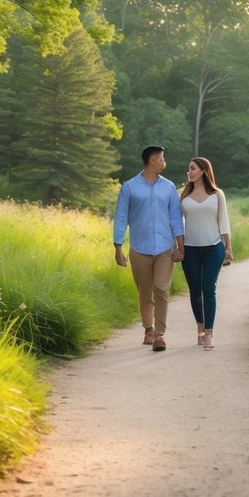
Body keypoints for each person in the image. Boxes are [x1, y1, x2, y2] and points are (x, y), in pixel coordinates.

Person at [113, 145, 185, 352]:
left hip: (164, 248)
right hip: (139, 249)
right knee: (145, 293)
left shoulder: (169, 187)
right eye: (162, 158)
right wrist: (118, 247)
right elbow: (121, 218)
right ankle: (148, 329)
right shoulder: (129, 187)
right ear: (153, 160)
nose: (165, 162)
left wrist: (180, 245)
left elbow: (175, 218)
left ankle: (160, 336)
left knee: (161, 289)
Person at [179, 156, 232, 351]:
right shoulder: (183, 196)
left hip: (214, 247)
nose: (189, 172)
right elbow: (177, 224)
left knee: (209, 288)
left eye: (192, 168)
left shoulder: (217, 194)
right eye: (188, 169)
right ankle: (200, 327)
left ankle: (209, 332)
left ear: (203, 170)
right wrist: (177, 246)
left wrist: (228, 247)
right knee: (195, 291)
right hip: (190, 249)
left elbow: (223, 221)